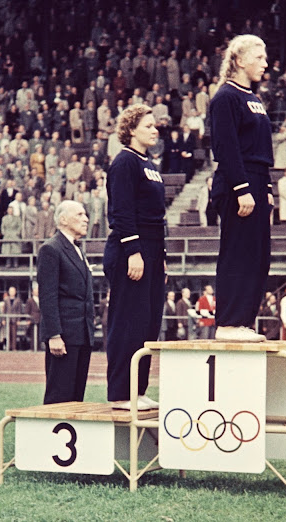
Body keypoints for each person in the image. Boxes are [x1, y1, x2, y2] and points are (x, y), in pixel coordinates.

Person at [209, 34, 273, 342]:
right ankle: (228, 323)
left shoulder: (254, 98)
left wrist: (267, 187)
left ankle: (244, 321)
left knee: (259, 255)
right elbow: (227, 146)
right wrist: (241, 187)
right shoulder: (225, 97)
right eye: (259, 57)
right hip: (240, 181)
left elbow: (260, 146)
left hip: (258, 179)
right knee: (238, 252)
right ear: (239, 59)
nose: (265, 62)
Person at [103, 104, 166, 411]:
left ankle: (137, 390)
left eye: (156, 125)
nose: (156, 129)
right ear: (131, 130)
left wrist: (160, 257)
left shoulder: (149, 163)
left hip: (152, 251)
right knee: (128, 322)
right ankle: (119, 393)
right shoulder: (124, 162)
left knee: (147, 324)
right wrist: (134, 252)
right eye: (149, 125)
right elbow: (122, 211)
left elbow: (156, 216)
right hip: (132, 250)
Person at [37, 201, 95, 405]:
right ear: (63, 219)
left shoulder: (77, 249)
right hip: (64, 337)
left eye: (85, 214)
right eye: (79, 214)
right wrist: (53, 334)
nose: (85, 218)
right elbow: (47, 295)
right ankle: (49, 437)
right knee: (59, 397)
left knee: (76, 399)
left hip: (82, 335)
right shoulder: (51, 249)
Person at [2, 286, 23, 351]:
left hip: (14, 319)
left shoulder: (18, 300)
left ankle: (14, 347)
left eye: (13, 291)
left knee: (14, 334)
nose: (12, 292)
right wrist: (3, 319)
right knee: (8, 334)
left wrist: (18, 320)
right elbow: (4, 310)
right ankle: (8, 347)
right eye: (11, 291)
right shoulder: (6, 300)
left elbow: (19, 310)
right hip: (8, 319)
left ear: (15, 292)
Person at [25, 283, 41, 351]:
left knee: (39, 335)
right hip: (33, 320)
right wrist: (28, 319)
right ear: (32, 292)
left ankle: (38, 347)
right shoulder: (30, 300)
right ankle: (32, 347)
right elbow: (27, 311)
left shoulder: (41, 299)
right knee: (33, 335)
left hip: (40, 320)